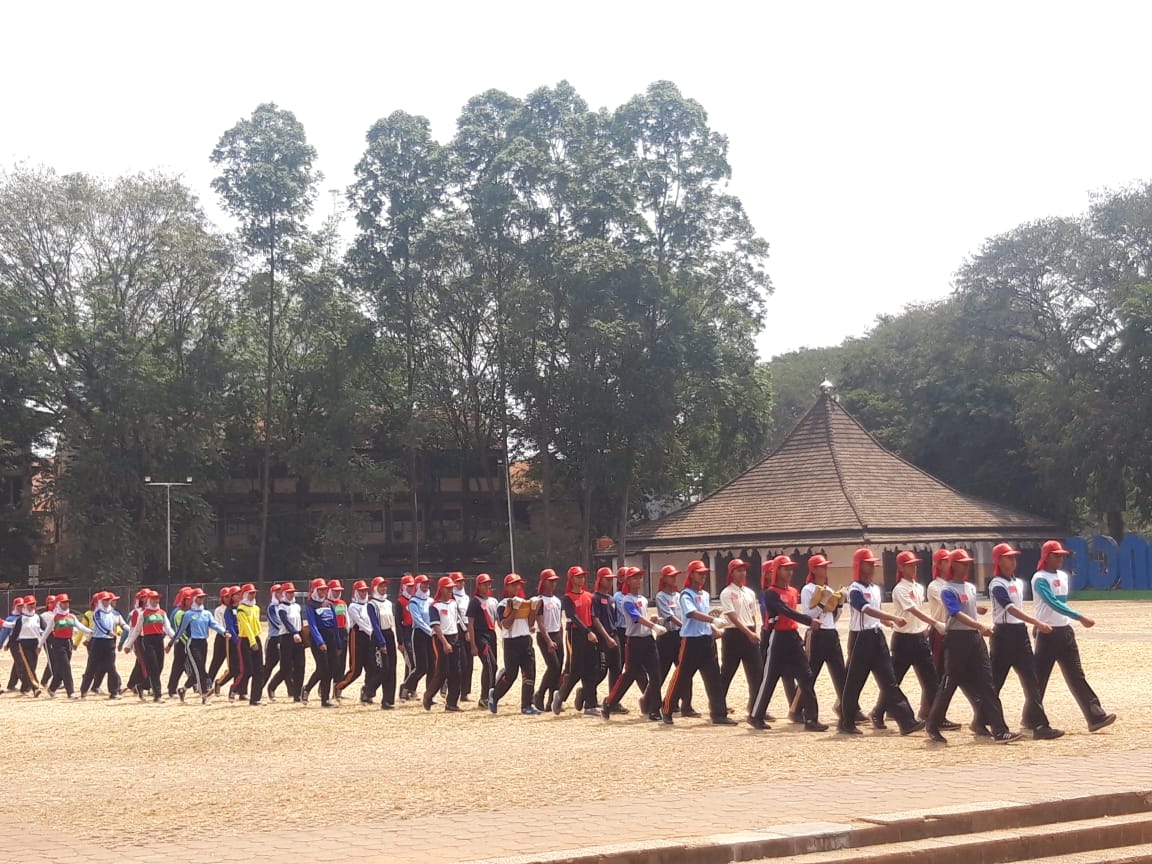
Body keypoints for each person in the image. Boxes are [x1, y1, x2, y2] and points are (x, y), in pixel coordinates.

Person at [925, 549, 1021, 744]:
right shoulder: (946, 589)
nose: (966, 566)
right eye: (962, 563)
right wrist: (979, 625)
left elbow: (966, 608)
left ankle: (1000, 730)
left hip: (974, 639)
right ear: (953, 566)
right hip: (957, 639)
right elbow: (955, 613)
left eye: (968, 563)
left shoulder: (969, 587)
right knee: (949, 683)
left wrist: (977, 619)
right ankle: (932, 724)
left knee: (987, 683)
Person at [975, 543, 1063, 740]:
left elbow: (1019, 608)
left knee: (1032, 681)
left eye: (1014, 557)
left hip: (1019, 633)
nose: (1013, 561)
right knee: (996, 682)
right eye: (1008, 557)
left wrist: (1030, 624)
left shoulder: (1018, 582)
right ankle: (980, 720)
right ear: (999, 560)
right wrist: (1036, 622)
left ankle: (1040, 725)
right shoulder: (996, 583)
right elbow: (1010, 608)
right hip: (1004, 635)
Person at [1032, 540, 1117, 733]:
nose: (1060, 559)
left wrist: (1071, 620)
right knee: (1040, 678)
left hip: (1065, 631)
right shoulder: (1039, 578)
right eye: (1056, 555)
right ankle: (1033, 718)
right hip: (1048, 632)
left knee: (1077, 676)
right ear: (1046, 557)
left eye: (1062, 555)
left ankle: (1095, 715)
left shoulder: (1062, 576)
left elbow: (1061, 602)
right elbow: (1052, 603)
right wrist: (1080, 617)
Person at [838, 549, 923, 736]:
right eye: (868, 563)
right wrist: (892, 616)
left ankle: (906, 721)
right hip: (861, 637)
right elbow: (866, 610)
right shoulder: (855, 589)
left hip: (877, 636)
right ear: (859, 566)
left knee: (889, 681)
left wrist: (886, 621)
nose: (872, 567)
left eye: (873, 563)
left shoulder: (875, 588)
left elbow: (875, 613)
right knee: (854, 682)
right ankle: (846, 722)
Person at [872, 551, 957, 730]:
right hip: (903, 639)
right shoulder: (899, 589)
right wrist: (934, 623)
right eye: (909, 565)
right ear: (901, 568)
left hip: (919, 638)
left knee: (931, 680)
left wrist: (925, 628)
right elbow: (912, 610)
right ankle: (878, 712)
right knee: (894, 681)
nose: (914, 568)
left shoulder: (918, 587)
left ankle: (937, 718)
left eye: (915, 565)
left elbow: (919, 611)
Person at [749, 556, 826, 732]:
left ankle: (811, 719)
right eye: (786, 569)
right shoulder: (770, 593)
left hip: (792, 637)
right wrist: (808, 620)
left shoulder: (792, 591)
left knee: (806, 676)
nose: (790, 572)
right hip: (777, 638)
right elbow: (784, 611)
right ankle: (755, 716)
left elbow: (791, 613)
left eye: (791, 569)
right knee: (770, 679)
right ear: (777, 571)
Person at [659, 560, 734, 725]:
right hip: (691, 641)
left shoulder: (705, 595)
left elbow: (704, 619)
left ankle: (719, 714)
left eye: (705, 573)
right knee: (682, 677)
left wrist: (714, 630)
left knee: (714, 679)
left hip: (706, 640)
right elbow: (691, 613)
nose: (703, 576)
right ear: (691, 575)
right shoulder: (686, 595)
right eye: (700, 573)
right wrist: (714, 619)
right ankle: (667, 708)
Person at [797, 554, 865, 725]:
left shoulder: (826, 587)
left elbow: (831, 618)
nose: (825, 569)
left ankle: (849, 709)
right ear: (813, 569)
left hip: (830, 633)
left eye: (825, 566)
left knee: (841, 674)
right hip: (817, 635)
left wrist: (839, 604)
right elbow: (809, 615)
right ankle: (796, 709)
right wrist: (824, 601)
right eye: (821, 567)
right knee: (810, 674)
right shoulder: (808, 589)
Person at [601, 567, 667, 722]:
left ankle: (655, 710)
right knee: (628, 676)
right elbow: (636, 617)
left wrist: (654, 621)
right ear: (628, 581)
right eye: (634, 578)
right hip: (635, 642)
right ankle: (609, 702)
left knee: (655, 675)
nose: (638, 580)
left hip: (648, 640)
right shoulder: (626, 600)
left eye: (639, 577)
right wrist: (654, 626)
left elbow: (643, 618)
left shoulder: (643, 600)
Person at [552, 565, 600, 716]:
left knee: (591, 670)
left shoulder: (589, 596)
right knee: (576, 670)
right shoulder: (567, 598)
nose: (582, 578)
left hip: (589, 634)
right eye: (578, 576)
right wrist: (587, 632)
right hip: (575, 634)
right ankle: (560, 696)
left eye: (583, 576)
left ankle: (590, 705)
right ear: (571, 579)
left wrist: (593, 632)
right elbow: (573, 616)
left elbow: (592, 616)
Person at [489, 573, 539, 715]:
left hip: (525, 640)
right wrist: (515, 609)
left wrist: (534, 609)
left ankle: (526, 705)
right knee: (511, 674)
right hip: (511, 642)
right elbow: (506, 625)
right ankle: (495, 695)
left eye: (519, 584)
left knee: (529, 673)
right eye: (514, 584)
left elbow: (530, 623)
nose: (517, 587)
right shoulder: (502, 604)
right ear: (507, 587)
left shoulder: (524, 602)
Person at [167, 587, 228, 703]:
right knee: (199, 669)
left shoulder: (207, 614)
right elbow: (180, 631)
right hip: (192, 644)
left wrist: (224, 632)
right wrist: (170, 643)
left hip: (203, 643)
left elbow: (214, 625)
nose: (202, 599)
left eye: (203, 597)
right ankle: (204, 695)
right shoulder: (188, 614)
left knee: (198, 670)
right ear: (194, 599)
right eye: (199, 597)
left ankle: (183, 689)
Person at [719, 558, 763, 717]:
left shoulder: (750, 592)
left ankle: (755, 707)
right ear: (731, 573)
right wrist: (748, 633)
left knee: (756, 673)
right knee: (727, 672)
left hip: (749, 632)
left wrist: (754, 631)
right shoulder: (727, 592)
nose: (742, 573)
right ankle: (718, 706)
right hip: (734, 634)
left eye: (744, 570)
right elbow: (732, 616)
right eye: (739, 570)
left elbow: (753, 615)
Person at [653, 564, 693, 716]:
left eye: (675, 575)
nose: (674, 578)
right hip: (667, 637)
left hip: (679, 636)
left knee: (683, 671)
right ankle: (654, 703)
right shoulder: (661, 596)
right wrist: (685, 626)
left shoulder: (679, 596)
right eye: (671, 576)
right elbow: (669, 616)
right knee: (661, 672)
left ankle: (685, 705)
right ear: (664, 579)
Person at [123, 590, 175, 703]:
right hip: (148, 641)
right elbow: (136, 630)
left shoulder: (162, 613)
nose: (156, 601)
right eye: (153, 599)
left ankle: (141, 686)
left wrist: (175, 639)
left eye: (157, 599)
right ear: (149, 600)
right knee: (153, 668)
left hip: (158, 640)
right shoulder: (144, 614)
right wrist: (128, 644)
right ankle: (157, 695)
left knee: (160, 666)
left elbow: (167, 628)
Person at [40, 594, 91, 699]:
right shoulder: (55, 618)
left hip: (68, 643)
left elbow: (80, 626)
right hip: (58, 644)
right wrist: (39, 645)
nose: (66, 604)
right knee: (66, 667)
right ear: (58, 604)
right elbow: (46, 632)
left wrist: (91, 631)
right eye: (63, 602)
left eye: (67, 602)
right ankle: (70, 692)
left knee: (60, 669)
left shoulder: (71, 616)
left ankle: (52, 689)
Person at [425, 576, 463, 711]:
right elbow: (436, 626)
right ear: (441, 589)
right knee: (442, 672)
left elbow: (457, 620)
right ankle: (428, 696)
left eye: (451, 588)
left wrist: (463, 634)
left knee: (456, 672)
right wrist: (445, 643)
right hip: (440, 639)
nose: (450, 590)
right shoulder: (434, 606)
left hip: (454, 637)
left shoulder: (453, 603)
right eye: (448, 588)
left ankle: (452, 703)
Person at [80, 592, 127, 699]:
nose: (107, 602)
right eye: (104, 600)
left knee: (111, 667)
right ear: (100, 601)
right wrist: (108, 631)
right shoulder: (97, 613)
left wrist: (131, 631)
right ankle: (84, 690)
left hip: (110, 643)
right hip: (98, 642)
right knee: (91, 667)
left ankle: (114, 692)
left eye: (108, 600)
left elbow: (122, 624)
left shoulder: (115, 613)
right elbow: (99, 625)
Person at [532, 569, 564, 713]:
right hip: (545, 636)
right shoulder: (539, 601)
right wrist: (548, 640)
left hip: (557, 634)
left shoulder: (557, 600)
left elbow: (559, 621)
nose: (553, 584)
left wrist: (561, 637)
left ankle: (552, 700)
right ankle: (539, 694)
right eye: (550, 581)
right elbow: (540, 622)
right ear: (544, 582)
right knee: (553, 667)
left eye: (555, 581)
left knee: (558, 670)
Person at [302, 578, 338, 707]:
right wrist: (320, 642)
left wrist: (338, 642)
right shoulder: (311, 605)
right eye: (320, 589)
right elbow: (312, 625)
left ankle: (307, 688)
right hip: (318, 638)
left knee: (332, 668)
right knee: (323, 668)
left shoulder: (329, 604)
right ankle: (324, 699)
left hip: (330, 636)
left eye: (324, 589)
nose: (323, 592)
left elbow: (334, 624)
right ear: (314, 590)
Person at [364, 576, 398, 709]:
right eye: (381, 586)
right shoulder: (372, 604)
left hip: (389, 633)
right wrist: (382, 642)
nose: (384, 588)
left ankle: (388, 700)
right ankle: (368, 689)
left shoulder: (389, 603)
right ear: (375, 588)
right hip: (379, 636)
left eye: (385, 586)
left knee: (392, 669)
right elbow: (375, 624)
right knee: (384, 668)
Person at [268, 582, 305, 702]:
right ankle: (272, 686)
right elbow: (285, 622)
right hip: (286, 637)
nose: (291, 594)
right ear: (284, 594)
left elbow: (300, 622)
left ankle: (297, 693)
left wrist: (300, 634)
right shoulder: (281, 608)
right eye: (288, 592)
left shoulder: (297, 606)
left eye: (292, 592)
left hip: (298, 636)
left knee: (300, 665)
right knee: (286, 667)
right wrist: (294, 633)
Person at [335, 580, 372, 700]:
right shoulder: (352, 606)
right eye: (361, 591)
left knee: (371, 667)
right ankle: (339, 686)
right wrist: (372, 632)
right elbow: (361, 623)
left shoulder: (369, 605)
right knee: (356, 669)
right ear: (356, 592)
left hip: (369, 637)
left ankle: (367, 692)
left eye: (365, 591)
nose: (363, 593)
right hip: (357, 636)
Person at [467, 574, 499, 711]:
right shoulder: (475, 602)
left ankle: (489, 695)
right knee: (489, 664)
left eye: (488, 584)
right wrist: (473, 644)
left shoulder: (493, 601)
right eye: (484, 584)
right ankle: (485, 697)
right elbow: (470, 623)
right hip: (480, 636)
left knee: (494, 666)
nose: (487, 586)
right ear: (478, 586)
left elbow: (498, 619)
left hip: (492, 635)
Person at [399, 574, 432, 701]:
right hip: (419, 635)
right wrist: (430, 631)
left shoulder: (430, 601)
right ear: (418, 586)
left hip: (431, 635)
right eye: (423, 584)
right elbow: (418, 620)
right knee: (421, 667)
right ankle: (405, 687)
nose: (426, 586)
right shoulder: (413, 602)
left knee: (432, 667)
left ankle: (429, 695)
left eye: (427, 584)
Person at [591, 568, 622, 700]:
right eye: (607, 579)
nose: (610, 582)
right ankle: (587, 692)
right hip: (603, 638)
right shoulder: (595, 598)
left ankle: (613, 700)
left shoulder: (611, 598)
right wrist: (607, 637)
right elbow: (595, 619)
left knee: (617, 669)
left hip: (614, 634)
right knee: (602, 670)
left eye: (611, 579)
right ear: (600, 580)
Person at [2, 596, 41, 696]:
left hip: (31, 643)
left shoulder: (33, 617)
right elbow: (7, 631)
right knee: (24, 666)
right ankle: (34, 687)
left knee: (22, 665)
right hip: (17, 644)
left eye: (21, 605)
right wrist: (5, 643)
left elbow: (39, 629)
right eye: (18, 606)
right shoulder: (14, 618)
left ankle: (21, 686)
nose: (19, 608)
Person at [233, 584, 264, 706]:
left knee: (259, 670)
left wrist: (257, 638)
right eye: (250, 593)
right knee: (248, 670)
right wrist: (252, 642)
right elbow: (245, 626)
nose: (253, 595)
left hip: (256, 638)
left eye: (254, 593)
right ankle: (234, 688)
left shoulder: (256, 608)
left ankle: (255, 698)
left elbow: (256, 625)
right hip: (245, 640)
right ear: (245, 594)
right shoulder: (241, 609)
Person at [925, 549, 951, 677]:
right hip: (940, 631)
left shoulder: (953, 584)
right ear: (939, 565)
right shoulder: (934, 586)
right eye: (946, 561)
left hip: (954, 629)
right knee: (939, 670)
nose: (950, 564)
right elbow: (948, 604)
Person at [165, 588, 194, 699]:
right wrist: (171, 643)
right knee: (179, 666)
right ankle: (172, 689)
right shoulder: (178, 613)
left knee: (186, 666)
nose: (191, 601)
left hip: (190, 642)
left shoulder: (191, 611)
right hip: (182, 643)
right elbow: (179, 630)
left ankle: (194, 685)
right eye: (188, 599)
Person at [451, 573, 474, 702]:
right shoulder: (452, 598)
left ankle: (465, 692)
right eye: (458, 582)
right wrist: (465, 631)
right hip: (458, 630)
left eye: (462, 581)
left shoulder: (466, 597)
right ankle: (456, 690)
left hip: (468, 628)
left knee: (469, 663)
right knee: (462, 662)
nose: (461, 584)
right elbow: (457, 616)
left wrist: (470, 629)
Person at [206, 586, 236, 683]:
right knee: (216, 661)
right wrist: (225, 632)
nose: (228, 599)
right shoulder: (219, 610)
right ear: (222, 598)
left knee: (234, 663)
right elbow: (218, 623)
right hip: (222, 637)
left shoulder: (234, 608)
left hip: (233, 637)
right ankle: (208, 682)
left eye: (229, 596)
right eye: (225, 597)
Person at [261, 584, 283, 699]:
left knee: (287, 665)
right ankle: (259, 689)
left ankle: (273, 687)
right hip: (274, 639)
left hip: (284, 637)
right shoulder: (271, 607)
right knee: (269, 666)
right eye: (278, 592)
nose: (280, 594)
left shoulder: (284, 606)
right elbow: (275, 623)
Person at [326, 580, 350, 685]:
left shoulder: (342, 603)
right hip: (331, 633)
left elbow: (346, 618)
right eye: (335, 591)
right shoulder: (326, 604)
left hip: (342, 632)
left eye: (339, 591)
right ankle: (325, 685)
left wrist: (347, 630)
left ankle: (337, 687)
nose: (337, 593)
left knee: (342, 662)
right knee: (332, 662)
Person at [396, 574, 416, 683]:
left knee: (415, 664)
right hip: (406, 635)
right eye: (408, 586)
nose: (411, 589)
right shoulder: (400, 601)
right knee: (411, 663)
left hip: (414, 633)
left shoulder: (415, 600)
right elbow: (398, 622)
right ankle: (406, 688)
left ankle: (410, 688)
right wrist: (400, 641)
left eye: (412, 586)